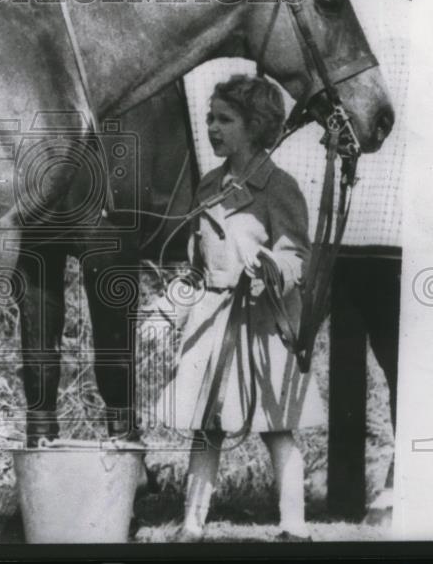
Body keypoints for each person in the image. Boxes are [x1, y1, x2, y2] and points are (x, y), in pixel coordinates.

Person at [166, 75, 325, 541]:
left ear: (256, 126)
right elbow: (198, 267)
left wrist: (272, 270)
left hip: (263, 326)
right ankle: (192, 524)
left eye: (225, 119)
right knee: (205, 426)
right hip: (212, 323)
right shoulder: (207, 187)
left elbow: (297, 253)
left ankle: (293, 525)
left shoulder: (279, 187)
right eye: (209, 118)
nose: (212, 128)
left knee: (276, 426)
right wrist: (170, 308)